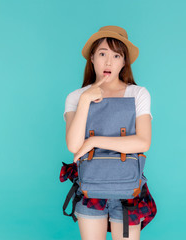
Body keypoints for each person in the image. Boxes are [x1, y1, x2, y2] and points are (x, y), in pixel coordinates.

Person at [63, 26, 156, 240]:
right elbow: (74, 146)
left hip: (129, 187)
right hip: (90, 187)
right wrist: (86, 99)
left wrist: (93, 141)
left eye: (116, 55)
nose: (108, 62)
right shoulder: (75, 97)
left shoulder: (138, 93)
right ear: (92, 58)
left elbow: (143, 142)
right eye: (102, 53)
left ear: (124, 62)